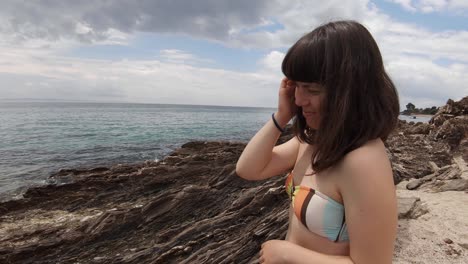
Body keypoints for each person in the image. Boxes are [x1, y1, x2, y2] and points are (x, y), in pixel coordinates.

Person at [236, 20, 400, 264]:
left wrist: (287, 253)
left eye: (312, 89)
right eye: (297, 87)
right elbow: (248, 169)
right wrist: (282, 115)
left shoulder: (362, 159)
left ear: (351, 90)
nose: (299, 100)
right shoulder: (312, 141)